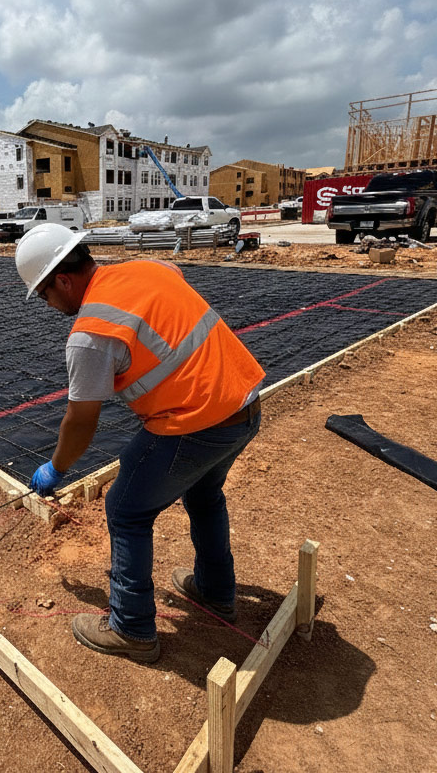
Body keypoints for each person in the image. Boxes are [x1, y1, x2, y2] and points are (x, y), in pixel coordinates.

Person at [15, 223, 264, 663]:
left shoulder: (90, 334)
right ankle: (215, 589)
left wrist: (56, 469)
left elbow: (81, 419)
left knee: (126, 510)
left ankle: (131, 629)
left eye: (44, 295)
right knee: (204, 494)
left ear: (63, 280)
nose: (48, 305)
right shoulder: (147, 268)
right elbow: (171, 285)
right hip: (244, 404)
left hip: (196, 425)